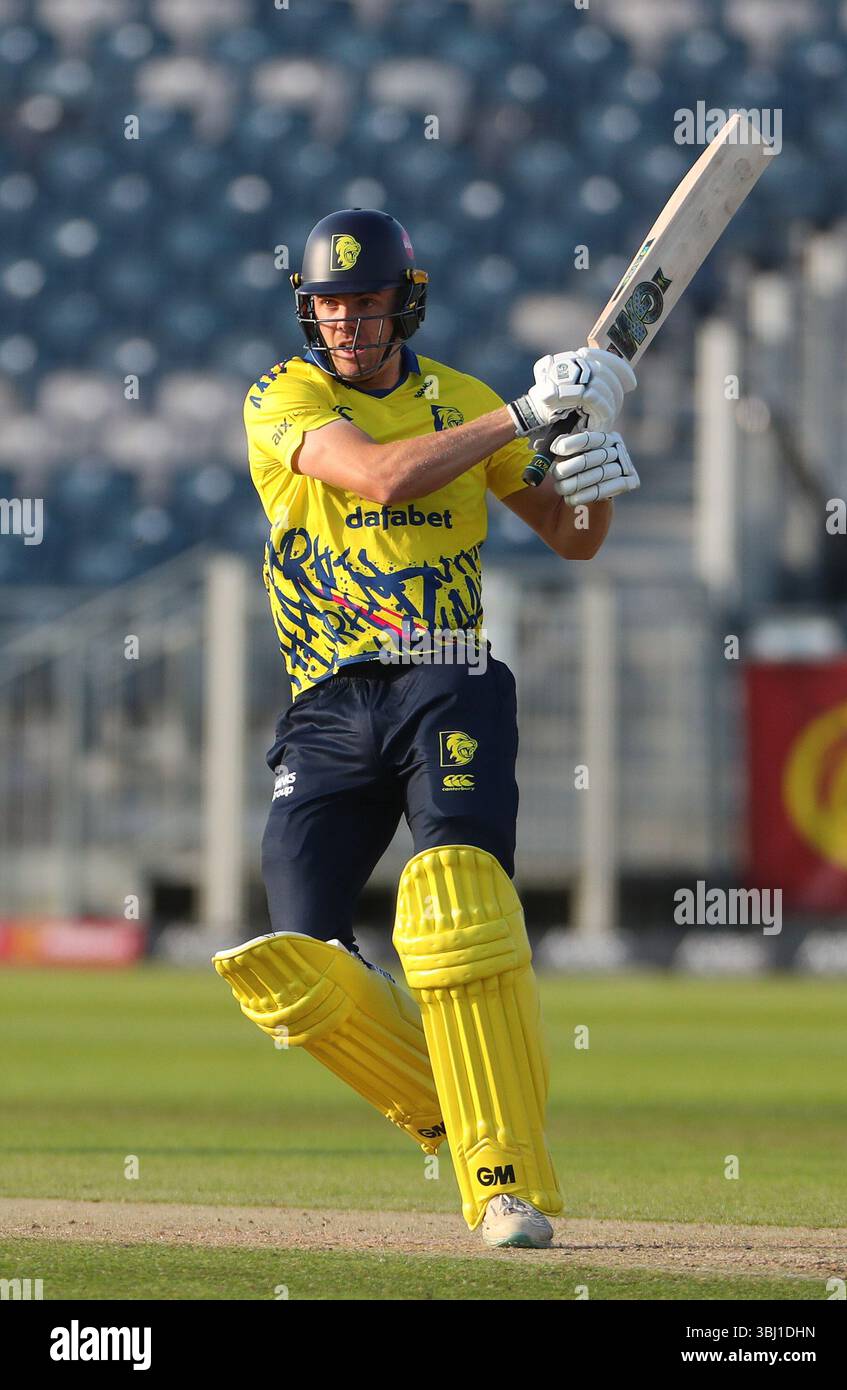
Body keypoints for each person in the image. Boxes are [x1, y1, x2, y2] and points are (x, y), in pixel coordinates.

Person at [213, 208, 639, 1248]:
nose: (348, 323)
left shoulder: (463, 396)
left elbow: (571, 538)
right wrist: (525, 415)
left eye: (365, 303)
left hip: (447, 676)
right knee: (294, 966)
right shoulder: (285, 395)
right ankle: (464, 1105)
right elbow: (379, 476)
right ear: (306, 312)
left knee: (455, 906)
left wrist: (587, 460)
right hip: (325, 701)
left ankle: (502, 1183)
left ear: (404, 299)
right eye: (329, 305)